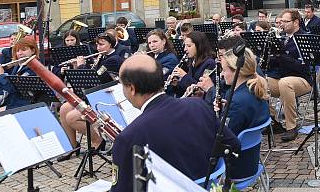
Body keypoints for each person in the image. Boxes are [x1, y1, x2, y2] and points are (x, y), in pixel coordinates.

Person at [110, 54, 238, 192]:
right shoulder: (199, 105)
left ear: (132, 89)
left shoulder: (128, 137)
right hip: (207, 185)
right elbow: (234, 144)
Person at [58, 33, 123, 154]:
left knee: (71, 117)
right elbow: (88, 77)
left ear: (111, 44)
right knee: (63, 108)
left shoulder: (114, 59)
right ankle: (73, 145)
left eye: (102, 44)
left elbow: (96, 79)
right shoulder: (102, 57)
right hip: (93, 95)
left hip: (105, 99)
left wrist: (82, 65)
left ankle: (98, 140)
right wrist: (77, 67)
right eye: (97, 44)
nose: (98, 48)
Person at [218, 42, 270, 178]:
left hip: (235, 167)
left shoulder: (237, 101)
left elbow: (223, 138)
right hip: (250, 160)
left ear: (237, 71)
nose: (222, 74)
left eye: (223, 70)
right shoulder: (253, 89)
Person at [265, 9, 311, 141]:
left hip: (302, 79)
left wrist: (281, 55)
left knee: (285, 83)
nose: (282, 24)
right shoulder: (283, 38)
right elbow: (276, 62)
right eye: (281, 22)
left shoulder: (304, 37)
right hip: (283, 79)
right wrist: (269, 53)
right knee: (258, 83)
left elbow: (302, 66)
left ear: (296, 22)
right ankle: (273, 120)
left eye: (286, 21)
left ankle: (291, 126)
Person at [0, 36, 38, 111]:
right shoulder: (18, 66)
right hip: (12, 104)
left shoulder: (33, 68)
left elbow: (13, 88)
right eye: (17, 51)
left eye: (24, 50)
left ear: (33, 51)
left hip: (24, 106)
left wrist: (0, 75)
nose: (20, 53)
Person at [172, 31, 216, 97]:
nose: (185, 49)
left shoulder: (210, 63)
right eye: (185, 46)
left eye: (189, 46)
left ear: (199, 46)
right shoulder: (192, 60)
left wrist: (184, 76)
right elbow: (187, 88)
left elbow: (201, 88)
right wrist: (177, 84)